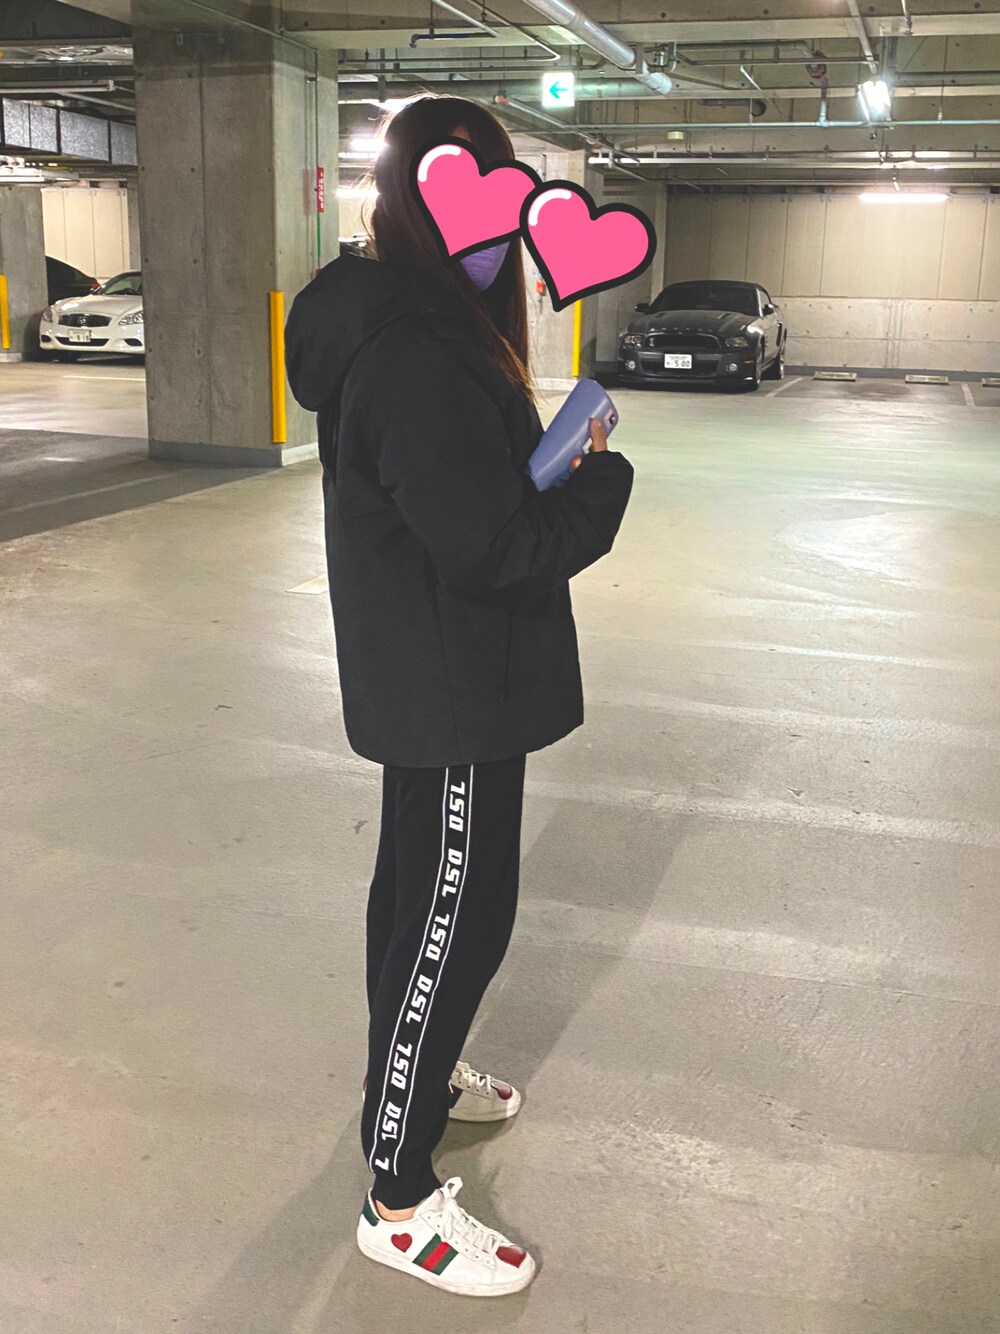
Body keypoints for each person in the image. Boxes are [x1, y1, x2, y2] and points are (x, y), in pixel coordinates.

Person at [285, 94, 634, 1298]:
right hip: (450, 687)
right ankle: (396, 1193)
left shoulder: (406, 323)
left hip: (440, 672)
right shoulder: (420, 352)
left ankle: (415, 1081)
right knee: (451, 919)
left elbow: (459, 509)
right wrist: (598, 482)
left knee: (418, 903)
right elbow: (491, 547)